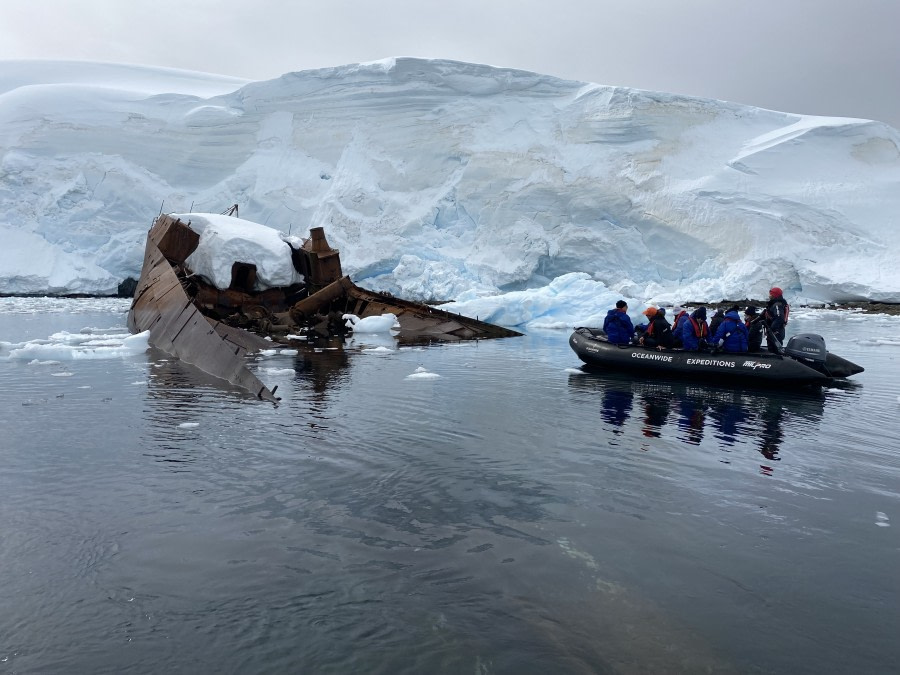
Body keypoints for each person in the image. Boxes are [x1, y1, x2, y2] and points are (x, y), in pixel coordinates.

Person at [763, 287, 790, 353]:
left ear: (774, 295)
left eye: (771, 294)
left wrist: (772, 329)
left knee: (774, 349)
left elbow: (779, 317)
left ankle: (775, 360)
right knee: (774, 347)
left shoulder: (777, 305)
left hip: (776, 332)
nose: (769, 296)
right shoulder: (776, 304)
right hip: (777, 331)